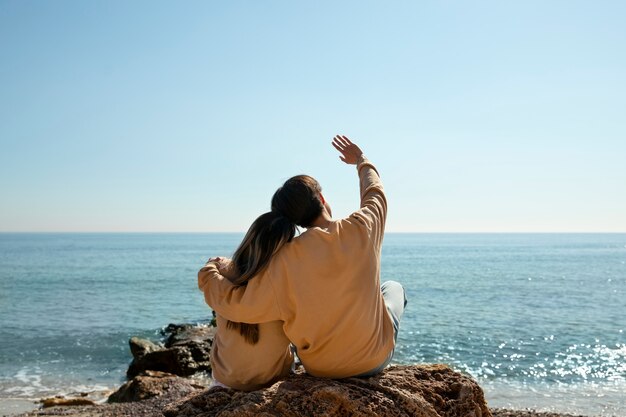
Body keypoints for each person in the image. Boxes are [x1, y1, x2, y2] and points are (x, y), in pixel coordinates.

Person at [199, 135, 406, 378]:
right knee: (393, 288)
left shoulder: (282, 259)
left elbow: (239, 305)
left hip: (320, 367)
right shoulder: (362, 228)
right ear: (321, 199)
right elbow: (374, 193)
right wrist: (361, 160)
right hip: (372, 360)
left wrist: (211, 273)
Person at [203, 212, 294, 390]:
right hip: (271, 380)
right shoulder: (286, 285)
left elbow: (206, 272)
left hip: (226, 380)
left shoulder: (221, 276)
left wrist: (216, 264)